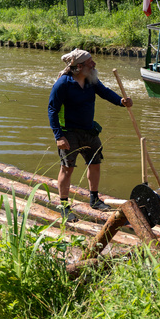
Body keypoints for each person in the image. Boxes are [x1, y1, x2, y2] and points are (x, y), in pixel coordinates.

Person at [48, 48, 132, 221]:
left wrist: (121, 102)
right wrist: (59, 136)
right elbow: (52, 110)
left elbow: (105, 92)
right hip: (69, 132)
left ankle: (94, 199)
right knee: (67, 168)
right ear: (79, 66)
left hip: (89, 130)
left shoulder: (91, 81)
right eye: (90, 62)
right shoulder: (63, 84)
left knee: (95, 163)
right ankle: (64, 206)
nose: (94, 64)